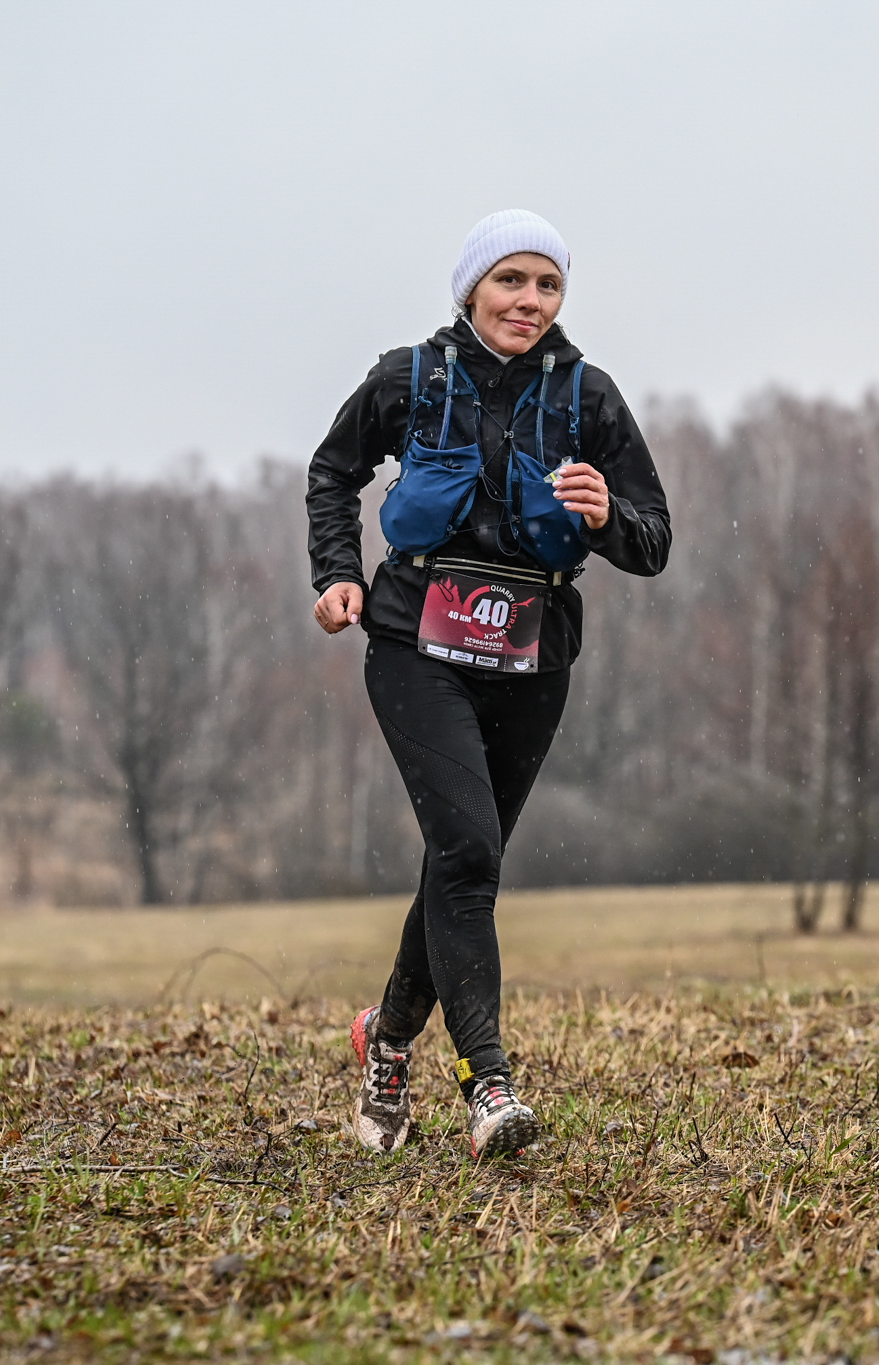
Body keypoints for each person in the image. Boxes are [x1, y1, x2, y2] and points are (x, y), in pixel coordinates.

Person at [306, 210, 670, 1159]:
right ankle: (488, 1086)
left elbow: (655, 540)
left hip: (531, 660)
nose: (530, 301)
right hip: (415, 645)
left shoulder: (590, 396)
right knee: (468, 850)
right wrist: (338, 573)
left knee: (460, 861)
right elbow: (334, 472)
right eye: (512, 280)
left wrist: (606, 518)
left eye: (548, 285)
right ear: (472, 288)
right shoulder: (409, 378)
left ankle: (388, 1039)